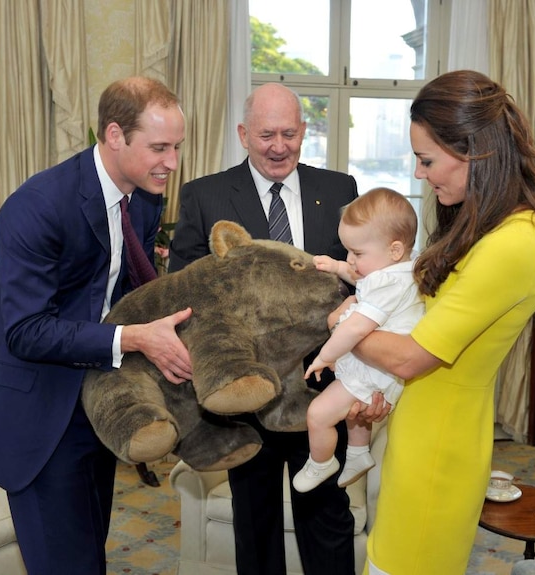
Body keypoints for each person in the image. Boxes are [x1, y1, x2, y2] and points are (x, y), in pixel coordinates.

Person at [0, 76, 193, 575]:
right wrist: (134, 338)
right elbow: (26, 330)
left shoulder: (144, 198)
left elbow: (120, 291)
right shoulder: (37, 206)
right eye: (159, 147)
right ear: (115, 135)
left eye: (177, 147)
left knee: (89, 554)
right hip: (37, 412)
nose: (171, 162)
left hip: (92, 400)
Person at [348, 70, 535, 574]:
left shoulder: (516, 242)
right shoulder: (487, 228)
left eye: (427, 160)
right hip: (418, 431)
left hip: (439, 451)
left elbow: (409, 355)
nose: (420, 174)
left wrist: (345, 324)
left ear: (475, 151)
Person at [168, 82, 360, 575]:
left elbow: (365, 281)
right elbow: (185, 292)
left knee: (326, 511)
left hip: (320, 384)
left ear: (303, 132)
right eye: (267, 134)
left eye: (290, 134)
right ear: (243, 134)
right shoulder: (205, 195)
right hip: (244, 390)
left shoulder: (338, 190)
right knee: (253, 517)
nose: (279, 146)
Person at [293, 187, 423, 493]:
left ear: (393, 249)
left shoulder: (387, 282)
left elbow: (353, 330)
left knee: (319, 414)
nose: (350, 259)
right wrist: (339, 268)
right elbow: (365, 280)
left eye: (357, 254)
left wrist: (324, 356)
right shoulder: (402, 268)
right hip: (383, 368)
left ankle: (321, 462)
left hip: (376, 368)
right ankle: (358, 453)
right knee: (355, 413)